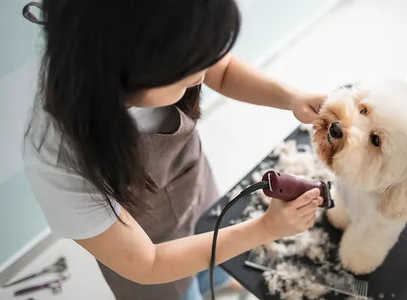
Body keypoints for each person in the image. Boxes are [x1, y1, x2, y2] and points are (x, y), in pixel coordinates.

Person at [22, 1, 326, 299]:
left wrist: (291, 98)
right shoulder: (60, 158)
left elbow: (221, 69)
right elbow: (149, 263)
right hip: (148, 255)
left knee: (217, 251)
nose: (202, 75)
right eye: (190, 71)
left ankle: (215, 281)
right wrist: (265, 228)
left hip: (191, 186)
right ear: (133, 73)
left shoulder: (169, 35)